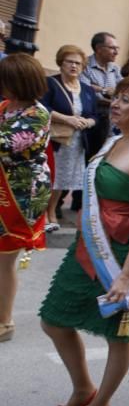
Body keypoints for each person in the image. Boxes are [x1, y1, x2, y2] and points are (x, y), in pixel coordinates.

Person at [40, 75, 129, 406]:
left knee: (118, 334)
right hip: (88, 246)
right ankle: (83, 387)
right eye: (118, 96)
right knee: (53, 320)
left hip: (122, 254)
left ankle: (100, 404)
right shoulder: (115, 139)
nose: (115, 103)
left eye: (125, 100)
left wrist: (126, 276)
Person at [0, 54, 51, 343]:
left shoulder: (36, 114)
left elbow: (7, 144)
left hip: (21, 195)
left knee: (4, 260)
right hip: (4, 188)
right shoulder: (6, 107)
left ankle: (4, 322)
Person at [41, 45, 98, 232]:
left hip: (77, 142)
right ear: (61, 63)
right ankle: (44, 214)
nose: (74, 66)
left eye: (78, 63)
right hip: (56, 141)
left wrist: (87, 122)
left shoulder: (88, 90)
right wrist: (67, 119)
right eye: (70, 62)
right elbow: (42, 108)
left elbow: (95, 116)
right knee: (51, 178)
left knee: (63, 180)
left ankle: (52, 211)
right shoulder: (50, 83)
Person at [80, 32, 122, 152]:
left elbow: (122, 92)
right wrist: (107, 92)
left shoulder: (115, 69)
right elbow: (88, 95)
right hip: (91, 120)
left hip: (111, 120)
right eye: (112, 48)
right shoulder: (84, 66)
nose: (116, 52)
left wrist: (100, 90)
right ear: (98, 49)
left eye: (117, 48)